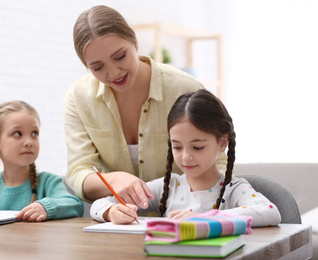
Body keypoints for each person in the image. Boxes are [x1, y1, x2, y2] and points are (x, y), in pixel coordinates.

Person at [64, 5, 227, 209]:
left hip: (186, 222)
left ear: (134, 42)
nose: (114, 72)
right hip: (117, 224)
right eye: (97, 67)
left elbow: (219, 163)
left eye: (120, 56)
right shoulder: (78, 98)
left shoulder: (185, 88)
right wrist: (114, 180)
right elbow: (79, 172)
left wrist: (203, 212)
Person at [90, 89, 282, 227]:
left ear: (222, 144)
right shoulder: (168, 186)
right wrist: (111, 212)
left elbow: (270, 211)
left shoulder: (233, 189)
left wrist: (204, 218)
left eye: (197, 147)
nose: (186, 157)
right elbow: (100, 204)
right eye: (177, 146)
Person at [0, 101, 83, 221]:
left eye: (34, 133)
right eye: (17, 133)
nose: (29, 142)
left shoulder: (48, 182)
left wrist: (46, 207)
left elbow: (75, 205)